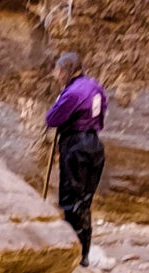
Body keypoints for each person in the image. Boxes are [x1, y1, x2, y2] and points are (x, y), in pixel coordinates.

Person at [44, 51, 107, 261]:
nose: (56, 75)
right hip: (94, 145)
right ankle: (84, 253)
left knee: (71, 199)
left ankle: (75, 253)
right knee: (85, 200)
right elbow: (101, 113)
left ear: (67, 69)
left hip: (76, 145)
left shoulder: (72, 92)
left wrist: (59, 100)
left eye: (59, 71)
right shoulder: (95, 87)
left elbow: (52, 118)